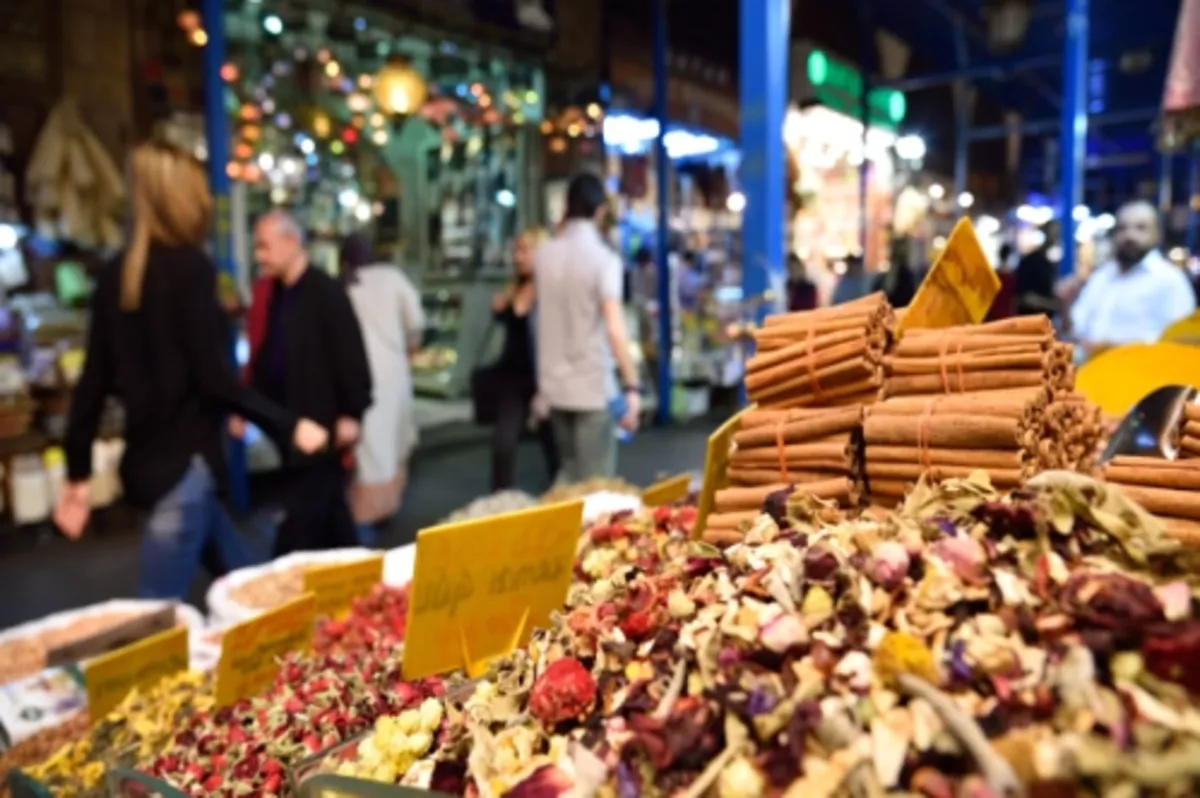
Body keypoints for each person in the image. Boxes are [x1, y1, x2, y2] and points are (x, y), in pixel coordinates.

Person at [55, 140, 328, 600]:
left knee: (247, 587)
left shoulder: (116, 275)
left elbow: (92, 382)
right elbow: (213, 377)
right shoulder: (190, 269)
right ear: (185, 197)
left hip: (149, 468)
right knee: (158, 624)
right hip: (185, 471)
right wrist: (289, 425)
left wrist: (77, 473)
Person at [236, 210, 372, 556]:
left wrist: (351, 412)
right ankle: (361, 583)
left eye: (265, 246)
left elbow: (351, 354)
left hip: (321, 429)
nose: (259, 256)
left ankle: (281, 594)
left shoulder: (325, 292)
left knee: (300, 524)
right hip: (293, 429)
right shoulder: (276, 295)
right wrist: (248, 407)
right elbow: (269, 358)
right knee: (332, 524)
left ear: (291, 241)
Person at [535, 173, 640, 482]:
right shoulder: (604, 260)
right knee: (596, 488)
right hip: (592, 386)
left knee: (566, 474)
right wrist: (632, 385)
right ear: (600, 211)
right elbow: (614, 329)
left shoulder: (544, 255)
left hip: (553, 387)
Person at [338, 233, 423, 540]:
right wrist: (411, 346)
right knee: (394, 440)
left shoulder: (345, 285)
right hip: (394, 373)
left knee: (369, 451)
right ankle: (383, 512)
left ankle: (364, 520)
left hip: (358, 375)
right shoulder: (392, 277)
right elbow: (416, 322)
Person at [1070, 200, 1196, 359]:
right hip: (1089, 371)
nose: (1130, 235)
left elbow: (1181, 344)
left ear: (1157, 235)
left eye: (1140, 228)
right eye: (1123, 228)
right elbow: (1076, 328)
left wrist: (1112, 348)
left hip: (1141, 375)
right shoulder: (1102, 276)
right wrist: (1064, 303)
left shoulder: (1170, 280)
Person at [489, 227, 560, 490]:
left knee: (553, 447)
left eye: (525, 250)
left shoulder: (551, 291)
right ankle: (499, 504)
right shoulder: (511, 290)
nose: (518, 257)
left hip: (544, 377)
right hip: (512, 377)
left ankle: (561, 501)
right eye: (516, 250)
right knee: (503, 444)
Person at [1014, 223, 1059, 317]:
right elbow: (1024, 297)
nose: (1055, 238)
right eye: (1053, 234)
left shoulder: (1049, 263)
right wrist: (1052, 304)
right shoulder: (1029, 262)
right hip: (1030, 321)